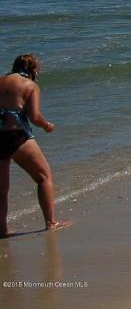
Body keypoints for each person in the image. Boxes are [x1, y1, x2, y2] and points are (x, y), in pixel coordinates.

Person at [1, 55, 68, 236]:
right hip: (16, 136)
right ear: (34, 70)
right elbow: (34, 117)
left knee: (2, 188)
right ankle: (51, 222)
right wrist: (47, 126)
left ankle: (2, 229)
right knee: (43, 177)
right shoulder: (30, 85)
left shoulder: (1, 80)